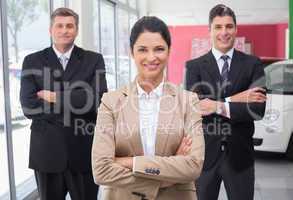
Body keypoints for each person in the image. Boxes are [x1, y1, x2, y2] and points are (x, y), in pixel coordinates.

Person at [91, 16, 205, 200]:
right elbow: (101, 170)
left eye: (159, 49)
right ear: (132, 52)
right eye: (143, 49)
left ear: (169, 51)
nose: (151, 57)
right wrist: (166, 175)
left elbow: (192, 166)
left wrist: (129, 162)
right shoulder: (110, 102)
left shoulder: (188, 101)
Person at [20, 7, 107, 200]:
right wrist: (76, 99)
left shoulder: (93, 60)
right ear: (51, 30)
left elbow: (96, 99)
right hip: (46, 154)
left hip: (83, 151)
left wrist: (53, 97)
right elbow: (28, 106)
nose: (64, 30)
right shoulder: (32, 61)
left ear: (76, 30)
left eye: (70, 26)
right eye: (59, 26)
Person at [185, 4, 266, 200]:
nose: (224, 32)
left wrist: (214, 104)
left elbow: (257, 109)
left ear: (236, 29)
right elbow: (195, 107)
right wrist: (235, 99)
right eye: (218, 27)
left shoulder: (253, 64)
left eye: (229, 26)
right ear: (209, 30)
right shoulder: (194, 67)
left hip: (240, 156)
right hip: (204, 156)